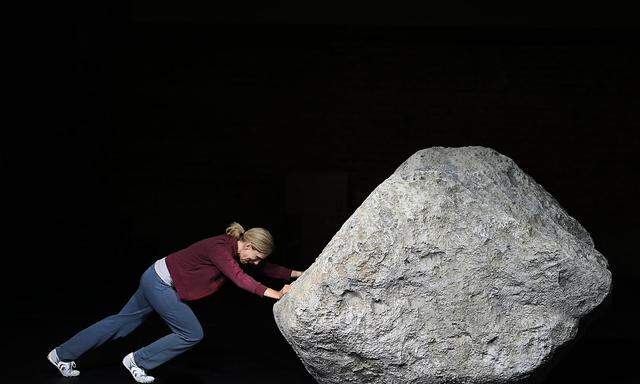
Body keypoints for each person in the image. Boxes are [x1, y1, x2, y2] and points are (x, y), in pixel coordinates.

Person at [46, 222, 305, 383]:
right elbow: (239, 279)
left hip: (154, 275)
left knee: (121, 322)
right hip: (159, 282)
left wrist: (298, 274)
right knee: (191, 332)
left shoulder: (236, 251)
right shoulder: (220, 248)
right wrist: (277, 295)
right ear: (246, 245)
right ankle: (138, 361)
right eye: (256, 256)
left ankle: (60, 354)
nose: (257, 262)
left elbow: (268, 268)